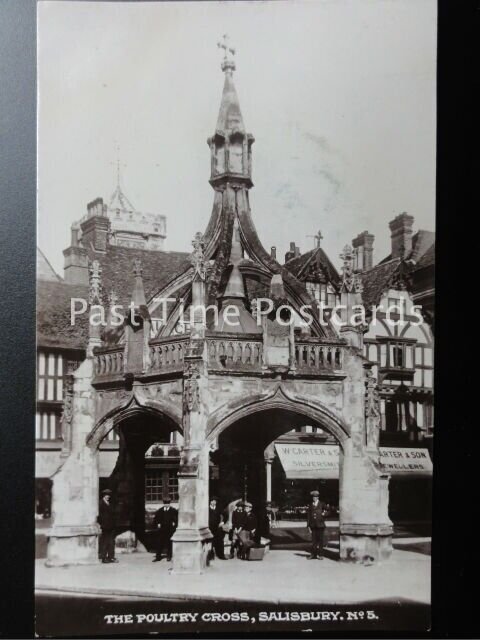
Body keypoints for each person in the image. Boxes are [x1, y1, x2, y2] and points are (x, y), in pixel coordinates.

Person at [153, 497, 178, 562]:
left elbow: (176, 519)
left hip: (169, 529)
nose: (166, 505)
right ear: (163, 504)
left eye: (168, 503)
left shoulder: (173, 510)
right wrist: (158, 523)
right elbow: (156, 519)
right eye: (165, 503)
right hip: (162, 529)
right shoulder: (160, 511)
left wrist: (174, 523)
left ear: (169, 504)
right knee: (159, 543)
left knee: (169, 543)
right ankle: (158, 557)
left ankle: (169, 556)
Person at [98, 489, 118, 564]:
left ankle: (111, 557)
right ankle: (103, 557)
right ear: (104, 495)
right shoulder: (100, 503)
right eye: (106, 495)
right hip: (105, 526)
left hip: (111, 526)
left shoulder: (109, 503)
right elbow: (99, 516)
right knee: (105, 542)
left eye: (109, 495)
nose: (108, 496)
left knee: (111, 541)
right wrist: (102, 524)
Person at [306, 490, 326, 560]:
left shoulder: (322, 504)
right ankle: (313, 554)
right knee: (313, 541)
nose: (314, 498)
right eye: (313, 497)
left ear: (318, 497)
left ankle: (320, 555)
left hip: (320, 525)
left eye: (315, 497)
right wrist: (308, 525)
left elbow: (329, 511)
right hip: (313, 525)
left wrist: (325, 514)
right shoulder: (311, 505)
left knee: (320, 540)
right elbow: (308, 516)